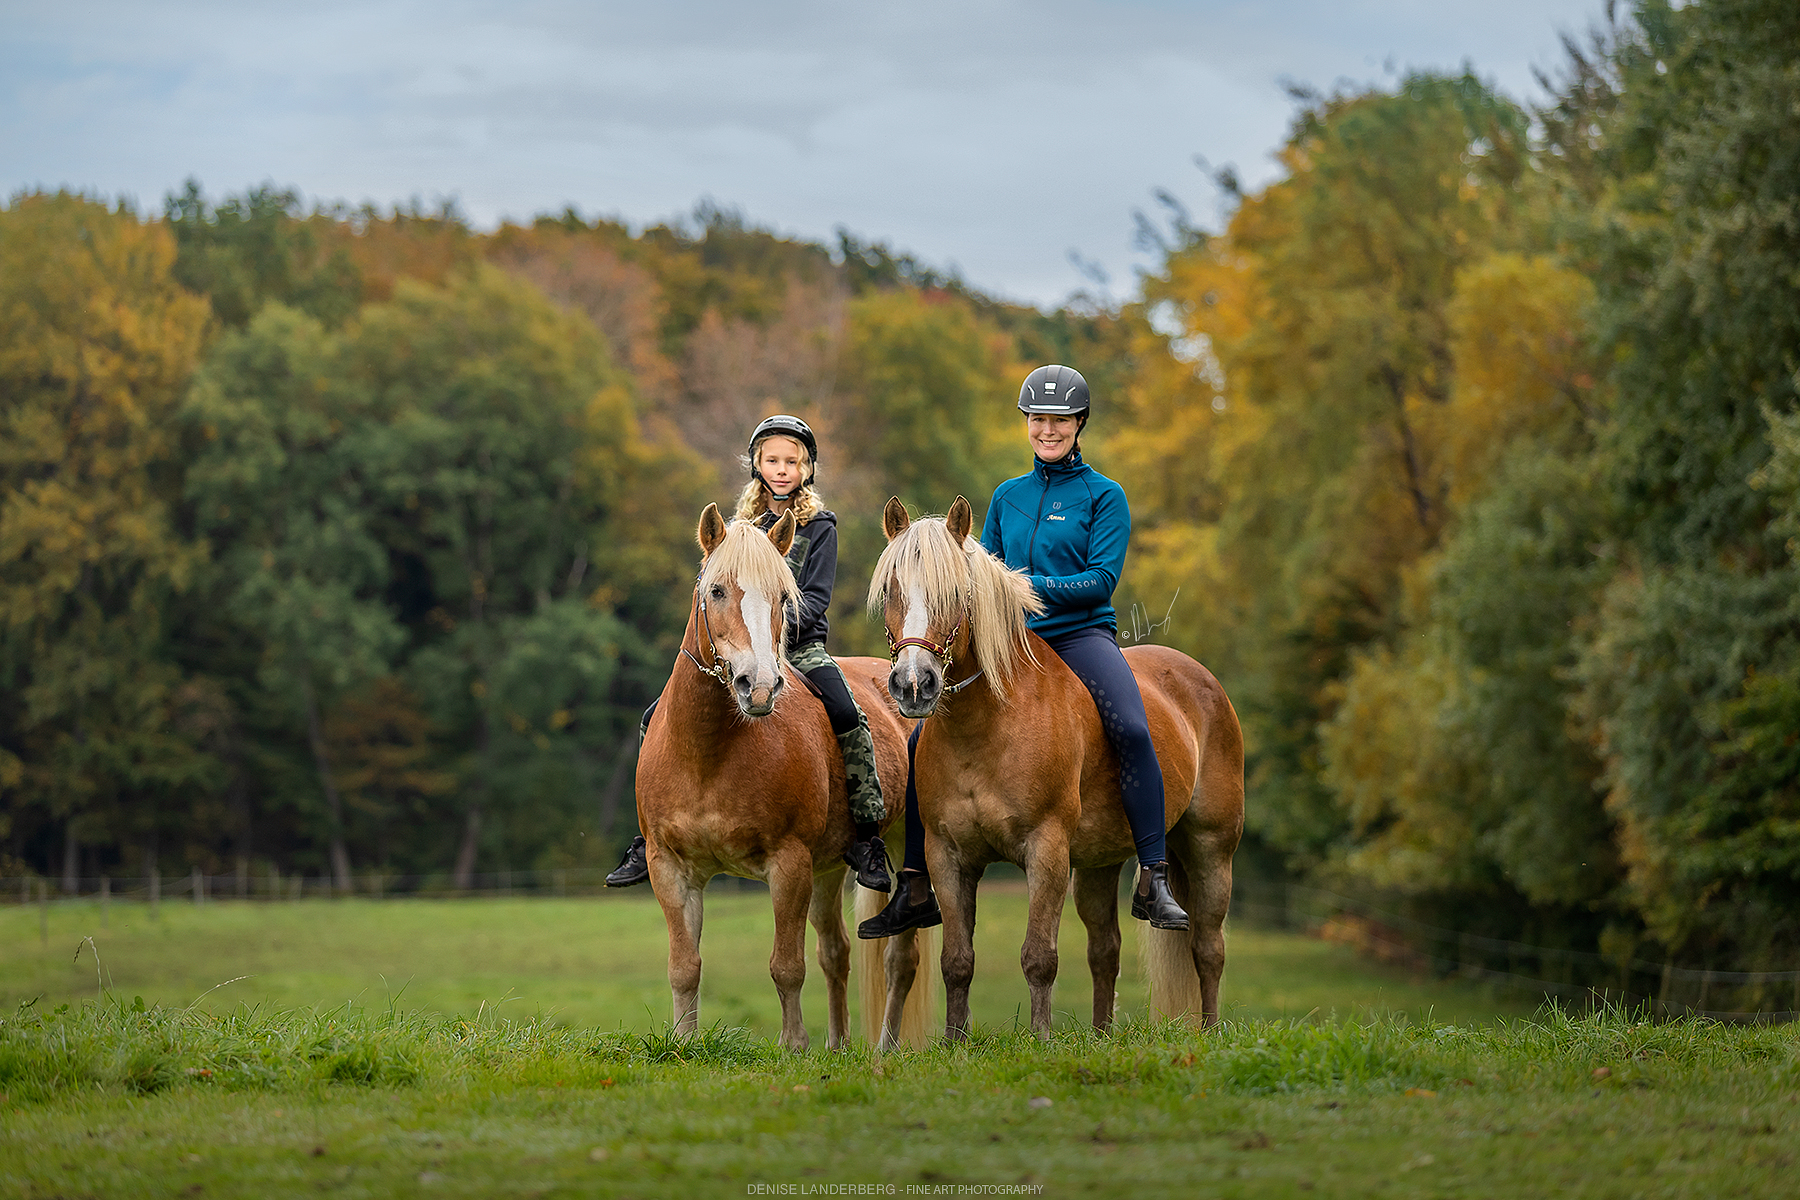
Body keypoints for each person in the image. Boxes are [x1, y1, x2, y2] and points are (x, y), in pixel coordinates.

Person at [857, 365, 1190, 938]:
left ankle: (1154, 874)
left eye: (1060, 419)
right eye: (1038, 418)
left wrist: (1029, 589)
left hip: (1081, 635)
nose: (1048, 429)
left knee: (1133, 727)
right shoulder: (1008, 496)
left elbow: (1102, 579)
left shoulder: (1105, 496)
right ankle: (914, 883)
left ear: (1079, 423)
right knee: (920, 739)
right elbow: (981, 571)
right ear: (1027, 424)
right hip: (1012, 640)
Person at [606, 415, 893, 893]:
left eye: (792, 461)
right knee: (654, 716)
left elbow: (816, 597)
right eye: (773, 460)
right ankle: (648, 834)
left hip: (799, 648)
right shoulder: (739, 530)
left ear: (808, 468)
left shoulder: (819, 526)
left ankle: (867, 835)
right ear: (757, 464)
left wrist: (770, 632)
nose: (782, 469)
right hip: (737, 652)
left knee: (849, 713)